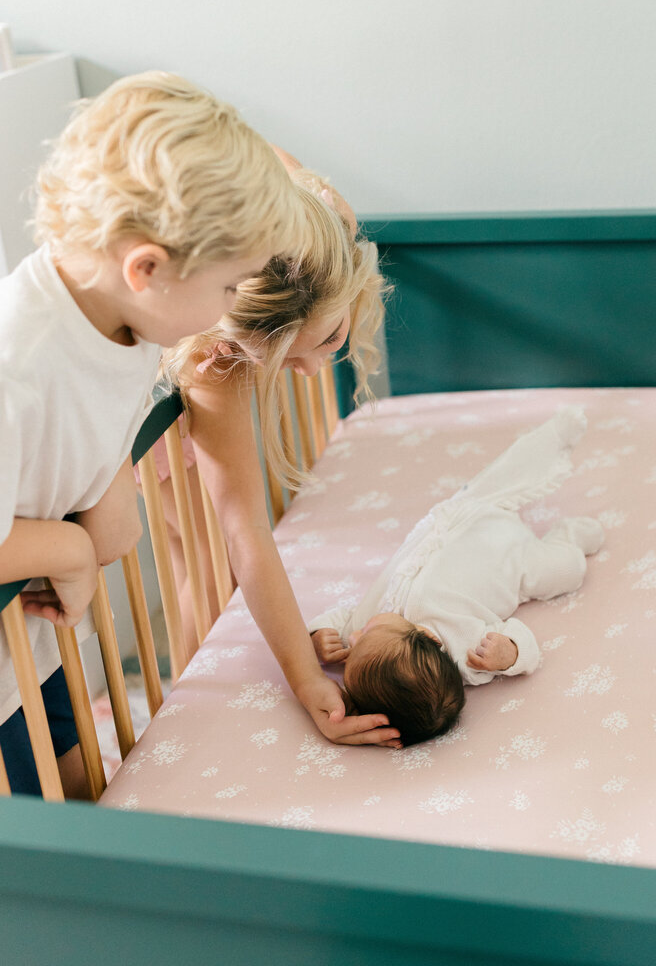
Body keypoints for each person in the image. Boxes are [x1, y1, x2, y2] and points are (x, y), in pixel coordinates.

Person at [0, 71, 304, 796]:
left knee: (87, 814)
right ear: (147, 268)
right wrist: (70, 547)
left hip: (30, 652)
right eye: (230, 289)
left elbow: (97, 428)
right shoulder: (16, 366)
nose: (231, 310)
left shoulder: (121, 322)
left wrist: (107, 491)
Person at [159, 177, 402, 749]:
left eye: (330, 338)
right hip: (171, 442)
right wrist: (303, 677)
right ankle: (188, 710)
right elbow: (246, 529)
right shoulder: (217, 364)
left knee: (199, 556)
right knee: (204, 559)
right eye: (289, 361)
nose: (317, 370)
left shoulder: (322, 221)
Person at [308, 407, 605, 746]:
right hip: (513, 559)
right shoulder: (466, 654)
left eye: (354, 640)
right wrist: (509, 653)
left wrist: (320, 632)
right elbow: (526, 646)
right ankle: (569, 539)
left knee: (507, 470)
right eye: (364, 635)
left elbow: (342, 617)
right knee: (562, 572)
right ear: (427, 637)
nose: (354, 636)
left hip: (459, 519)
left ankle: (552, 436)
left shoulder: (362, 636)